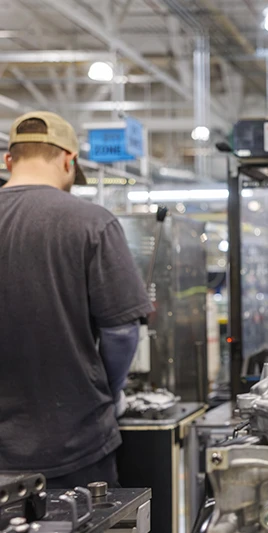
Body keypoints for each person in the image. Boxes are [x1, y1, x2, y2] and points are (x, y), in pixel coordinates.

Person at [0, 111, 152, 488]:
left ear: (9, 160)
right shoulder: (92, 222)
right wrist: (106, 391)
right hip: (75, 443)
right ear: (69, 160)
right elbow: (121, 332)